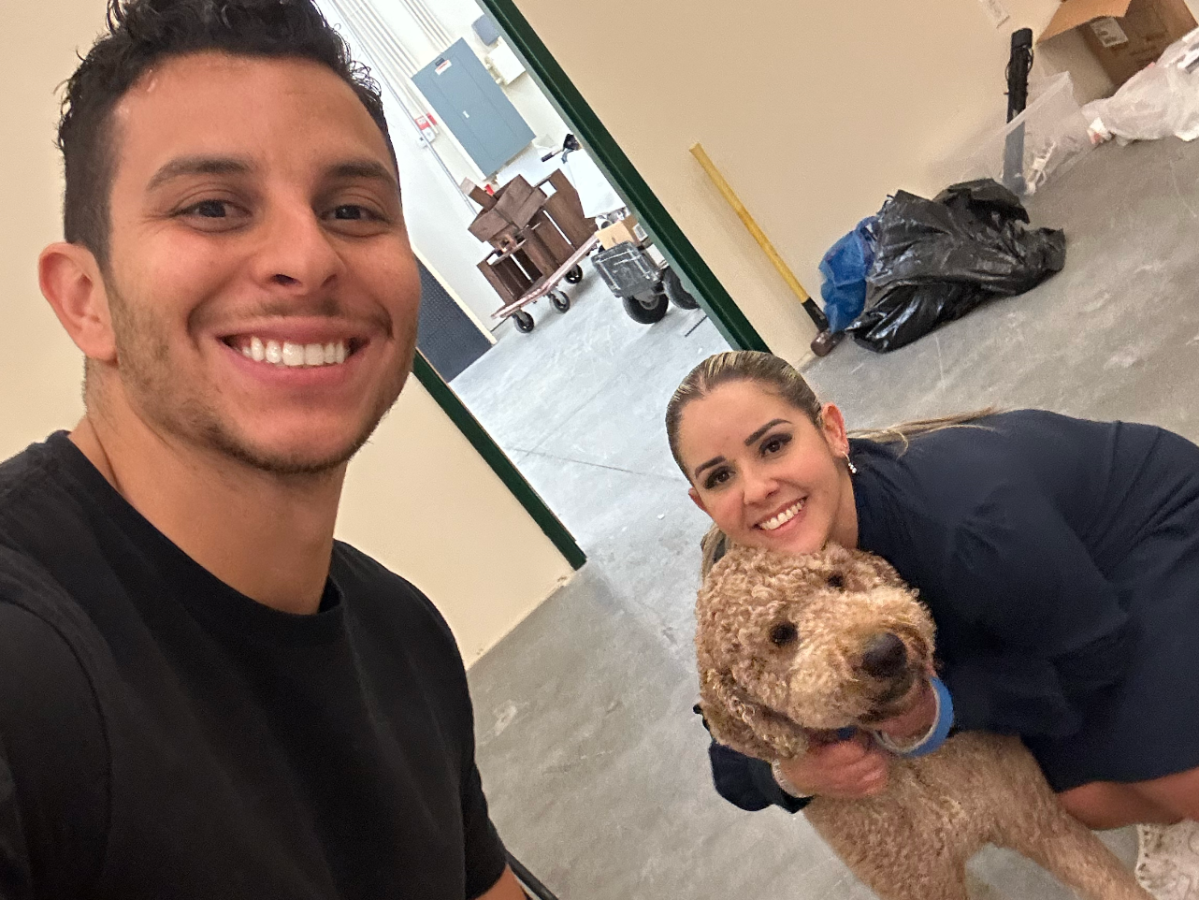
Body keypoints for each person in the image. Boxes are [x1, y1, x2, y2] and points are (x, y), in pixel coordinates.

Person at [0, 1, 527, 897]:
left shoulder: (403, 637)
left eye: (352, 209)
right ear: (86, 299)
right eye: (212, 207)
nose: (307, 256)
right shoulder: (25, 674)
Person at [666, 350, 1199, 898]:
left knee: (1184, 780)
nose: (756, 489)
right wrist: (790, 775)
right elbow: (729, 731)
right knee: (1081, 799)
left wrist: (941, 707)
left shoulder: (964, 521)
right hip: (1038, 604)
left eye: (774, 445)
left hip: (1152, 530)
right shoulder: (747, 568)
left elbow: (1096, 653)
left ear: (831, 431)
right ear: (702, 502)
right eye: (721, 476)